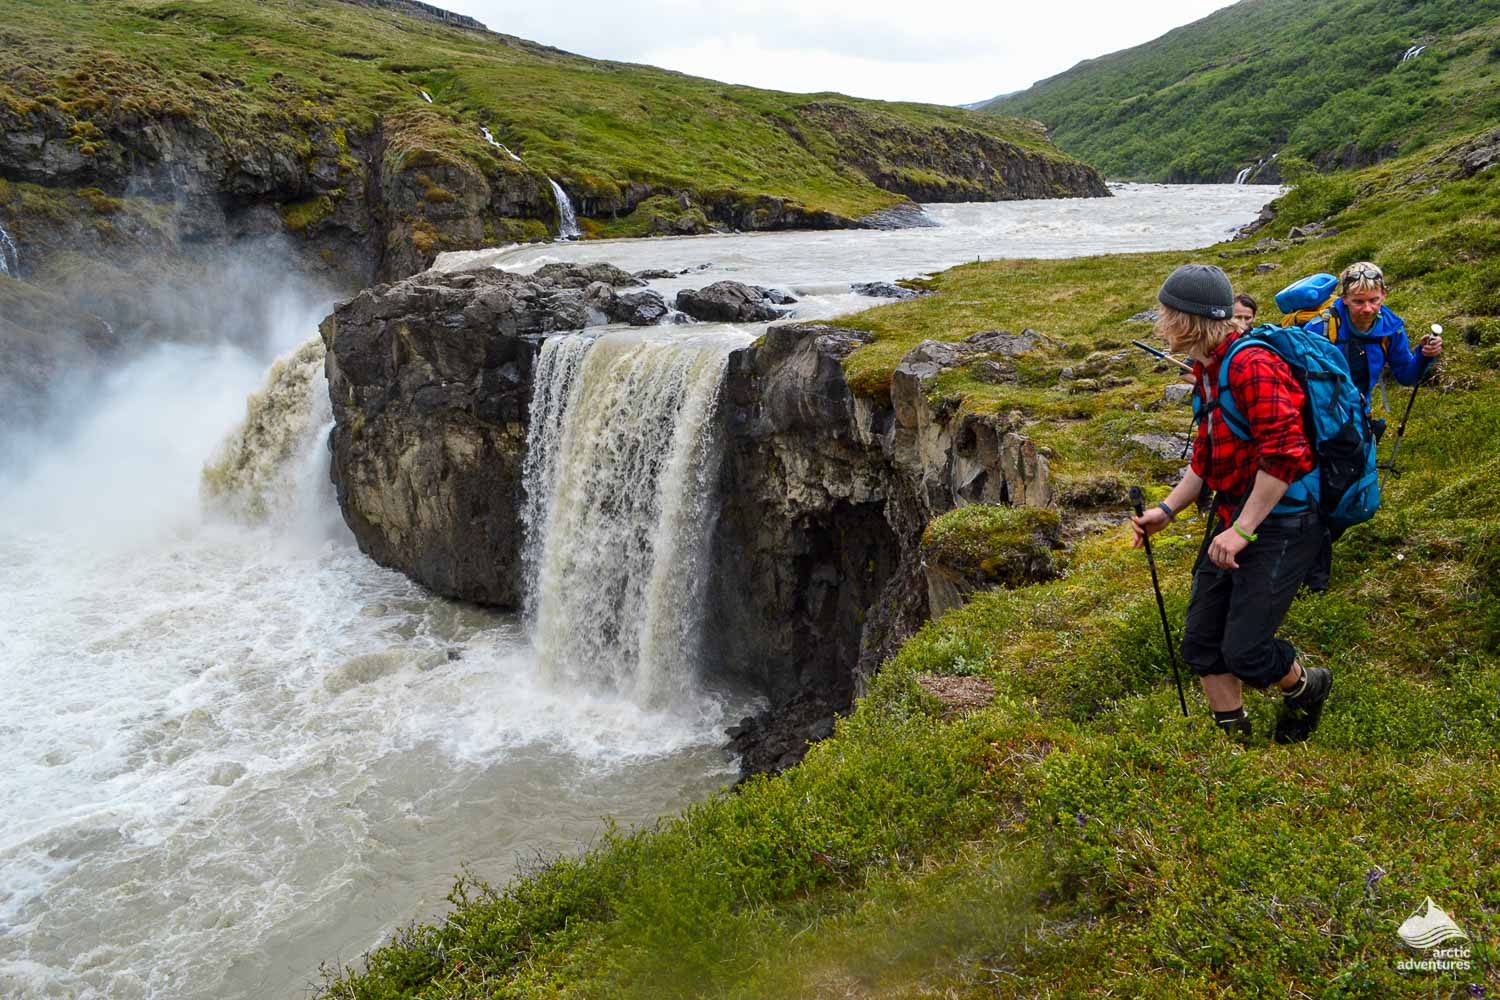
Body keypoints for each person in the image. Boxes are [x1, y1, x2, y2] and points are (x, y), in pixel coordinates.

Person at [1131, 264, 1331, 743]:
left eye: (1166, 314)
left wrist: (1242, 531)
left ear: (1186, 321)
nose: (1161, 323)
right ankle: (1234, 747)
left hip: (1283, 522)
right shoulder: (1209, 368)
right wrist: (1167, 510)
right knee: (1201, 642)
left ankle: (1308, 687)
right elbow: (1207, 456)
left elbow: (1287, 454)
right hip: (1234, 513)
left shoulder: (1250, 366)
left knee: (1246, 651)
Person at [1304, 261, 1442, 421]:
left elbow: (1406, 376)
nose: (1367, 309)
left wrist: (1425, 356)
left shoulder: (1391, 329)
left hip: (1360, 414)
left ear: (1384, 294)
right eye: (1358, 302)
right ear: (1344, 299)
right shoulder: (1320, 328)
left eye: (1374, 300)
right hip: (1320, 416)